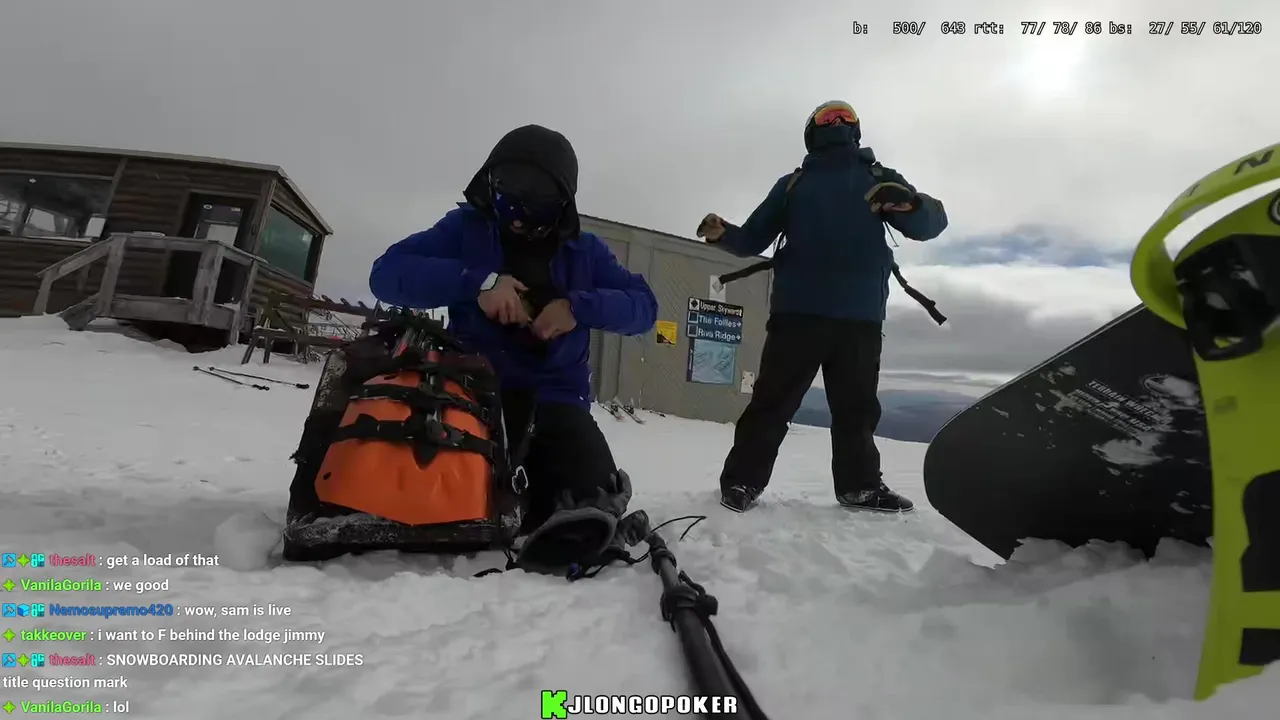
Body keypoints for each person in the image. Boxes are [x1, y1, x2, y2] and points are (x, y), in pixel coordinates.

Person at [361, 124, 658, 567]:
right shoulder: (464, 229)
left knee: (588, 504)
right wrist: (477, 283)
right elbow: (385, 274)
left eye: (536, 197)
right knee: (436, 496)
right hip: (471, 397)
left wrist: (577, 307)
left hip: (556, 401)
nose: (518, 213)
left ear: (561, 201)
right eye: (508, 189)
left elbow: (645, 307)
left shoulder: (586, 252)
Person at [697, 100, 948, 514]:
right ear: (812, 131)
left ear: (856, 128)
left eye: (845, 116)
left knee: (856, 410)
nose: (837, 121)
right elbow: (753, 238)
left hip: (858, 318)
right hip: (801, 313)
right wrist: (723, 233)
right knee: (772, 403)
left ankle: (859, 488)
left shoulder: (880, 179)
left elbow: (931, 224)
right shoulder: (793, 184)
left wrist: (913, 205)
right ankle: (741, 482)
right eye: (827, 117)